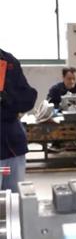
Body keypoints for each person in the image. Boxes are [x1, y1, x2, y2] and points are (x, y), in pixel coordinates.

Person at [0, 48, 37, 192]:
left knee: (13, 198)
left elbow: (27, 98)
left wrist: (8, 99)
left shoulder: (8, 61)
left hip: (13, 148)